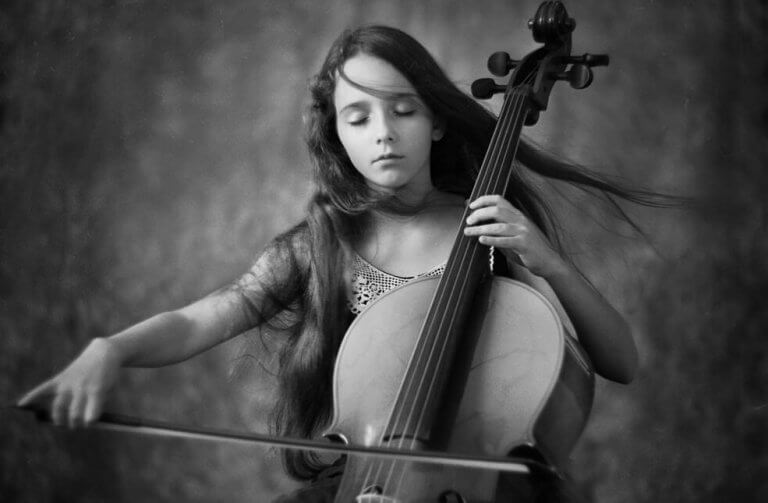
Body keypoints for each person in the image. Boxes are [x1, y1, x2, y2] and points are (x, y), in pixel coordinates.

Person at [19, 25, 652, 502]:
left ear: (434, 120)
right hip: (365, 485)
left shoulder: (493, 224)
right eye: (360, 117)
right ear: (338, 136)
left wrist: (546, 261)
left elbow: (619, 361)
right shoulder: (324, 243)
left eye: (403, 109)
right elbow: (196, 322)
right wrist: (110, 348)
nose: (383, 132)